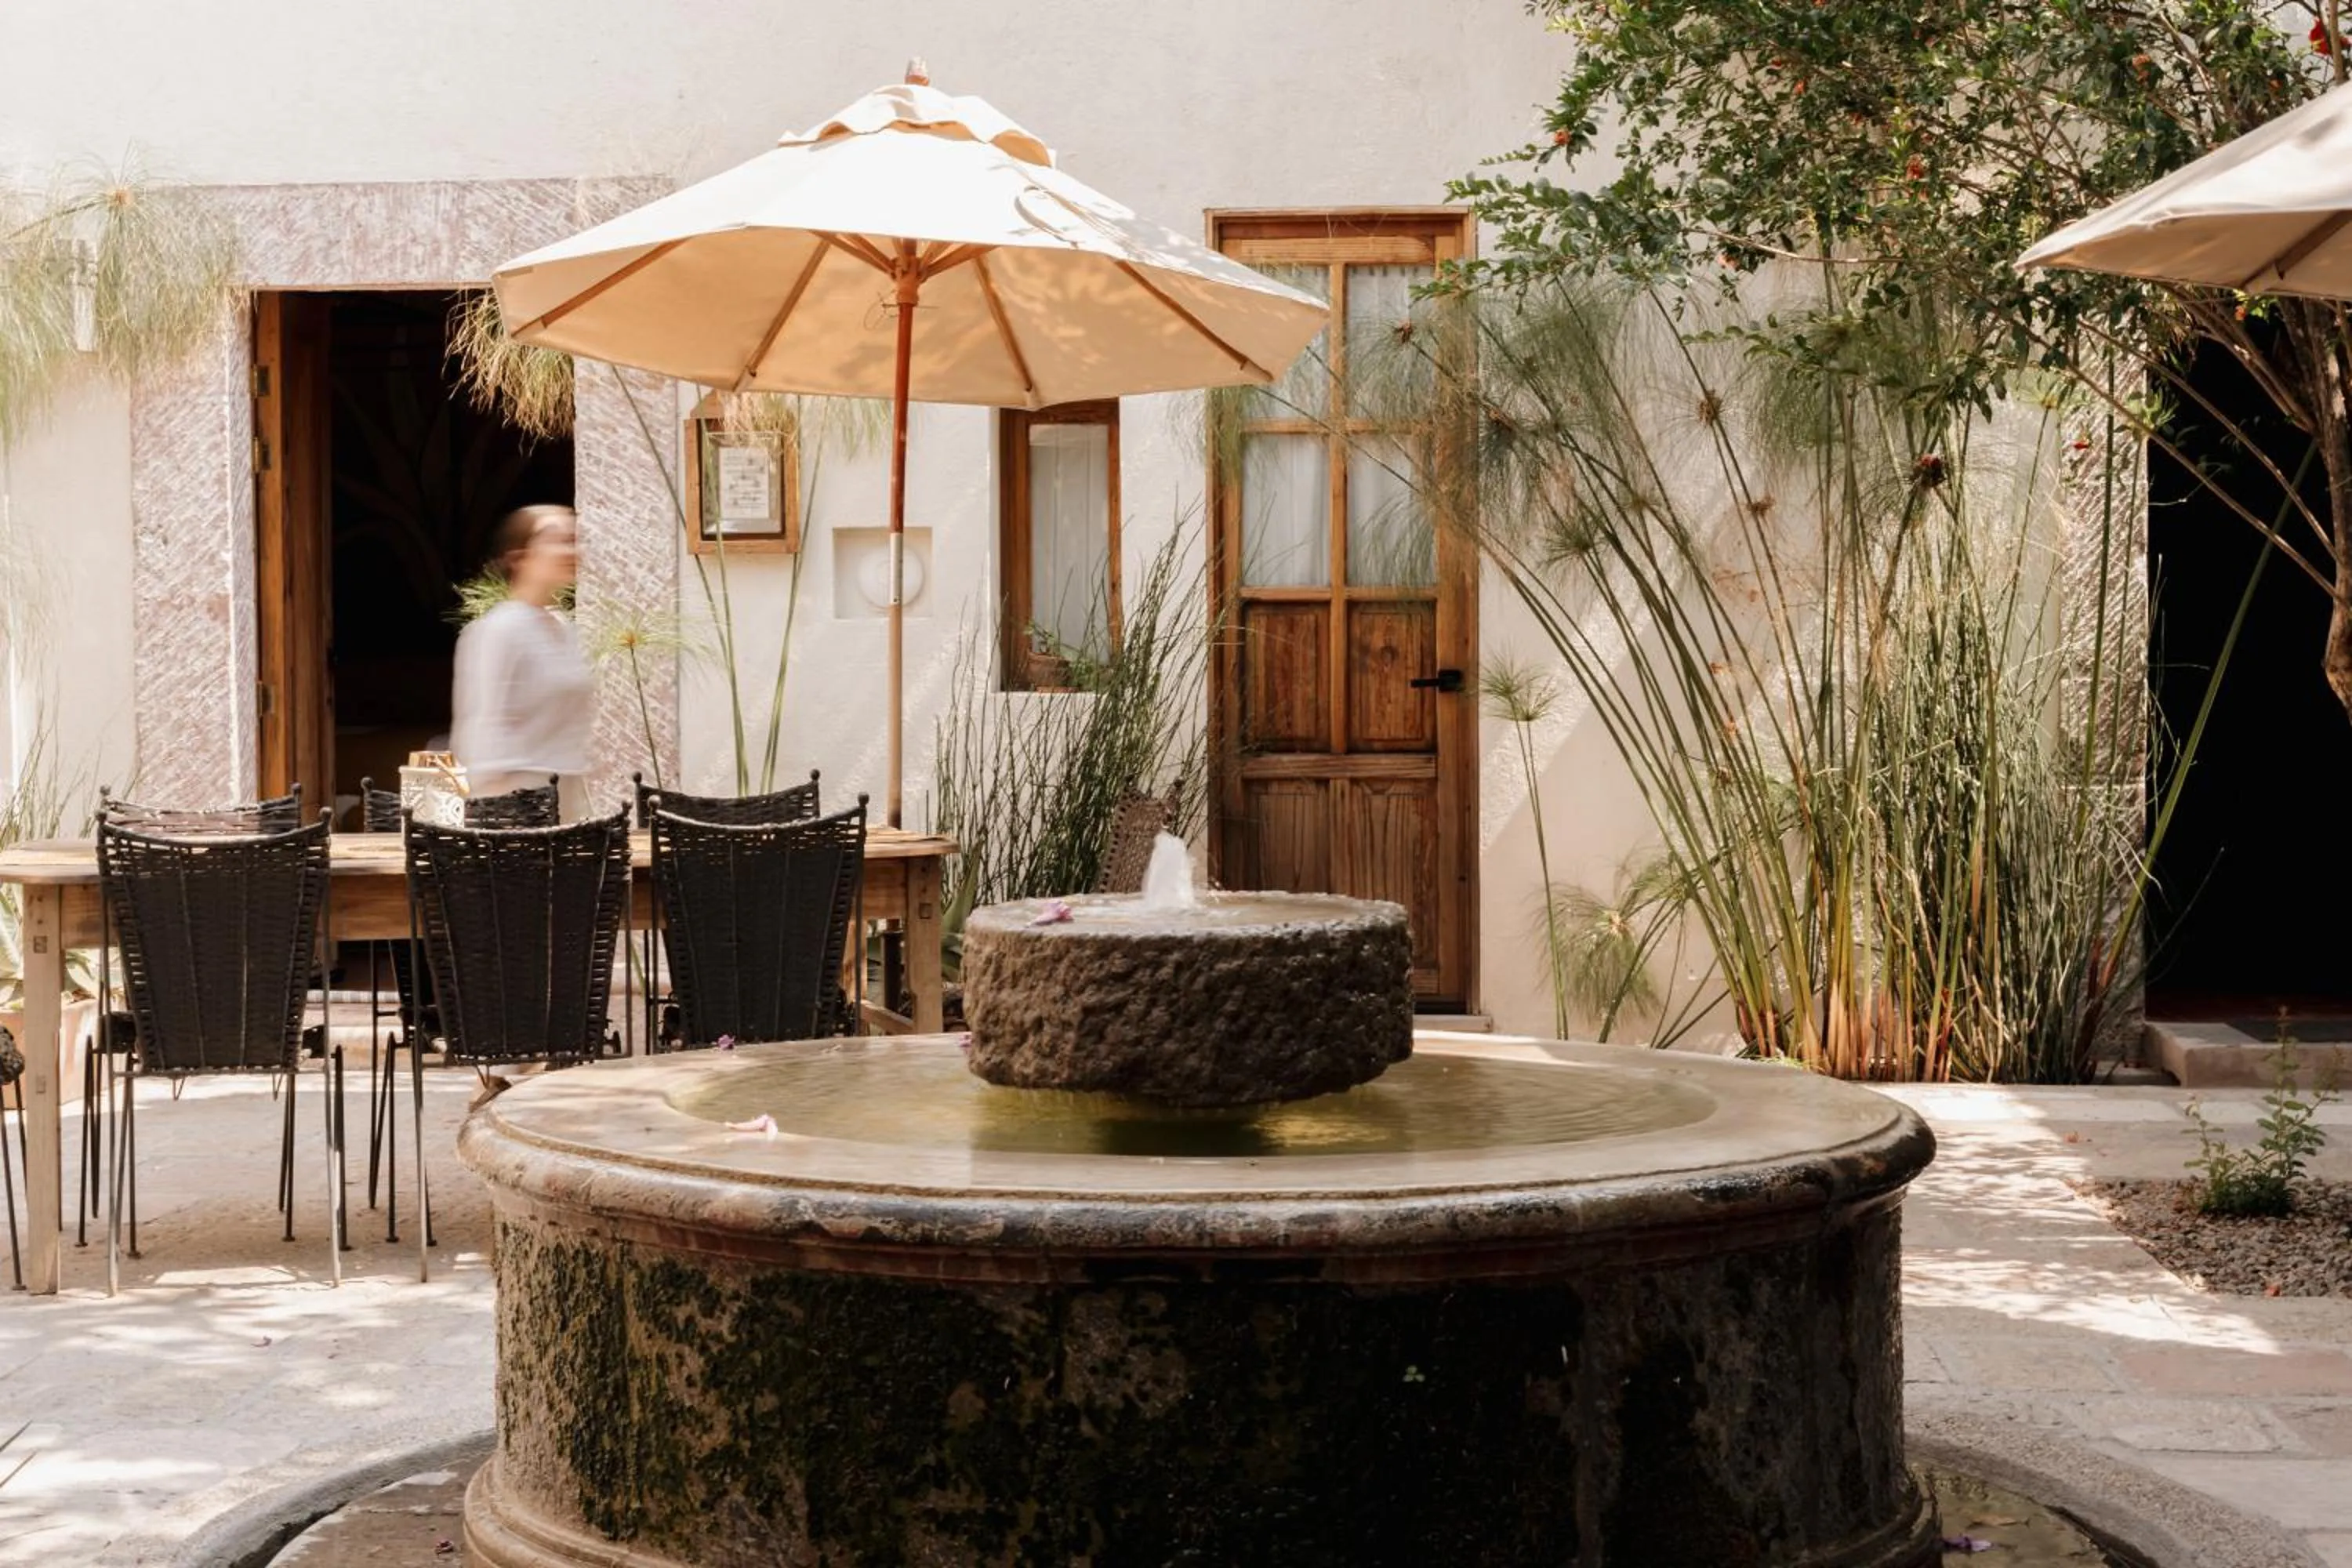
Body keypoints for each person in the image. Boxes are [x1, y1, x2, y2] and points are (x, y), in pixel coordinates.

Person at [451, 504, 593, 818]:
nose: (570, 549)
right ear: (520, 556)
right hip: (517, 806)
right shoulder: (499, 629)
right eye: (556, 539)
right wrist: (498, 814)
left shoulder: (566, 628)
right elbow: (482, 727)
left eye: (574, 538)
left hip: (565, 799)